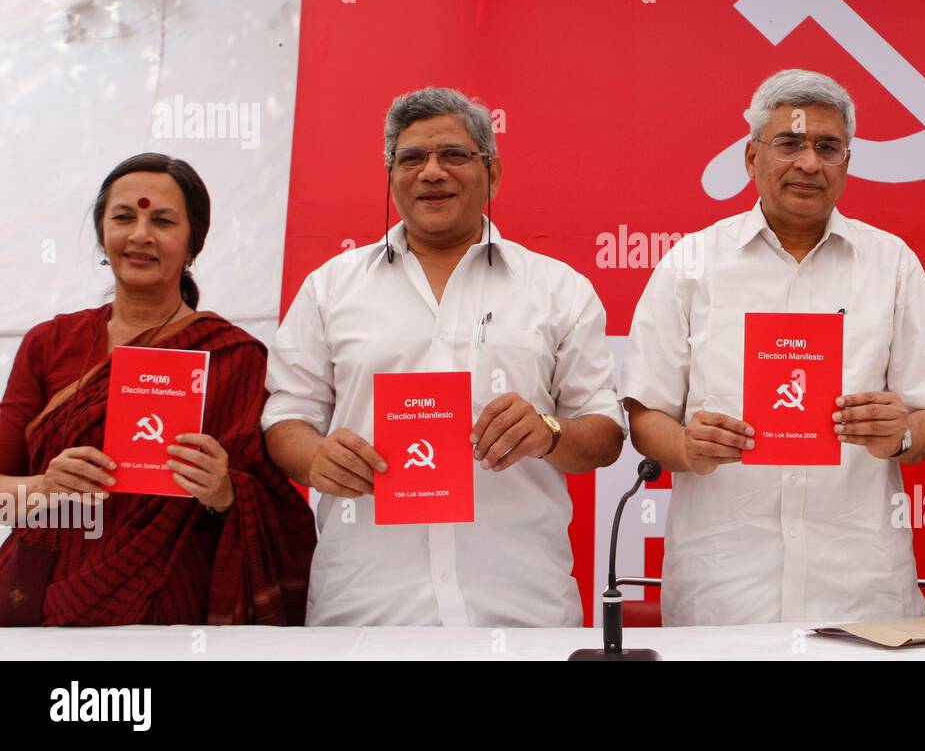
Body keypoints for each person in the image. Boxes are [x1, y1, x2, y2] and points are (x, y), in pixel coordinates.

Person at [263, 86, 624, 627]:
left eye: (454, 155)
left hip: (519, 609)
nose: (432, 172)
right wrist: (314, 456)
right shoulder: (329, 289)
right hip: (367, 608)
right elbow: (286, 416)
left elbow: (605, 432)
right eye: (411, 159)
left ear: (493, 174)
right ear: (391, 177)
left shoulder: (557, 289)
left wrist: (549, 431)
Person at [620, 69, 925, 625]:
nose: (809, 163)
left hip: (861, 589)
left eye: (827, 147)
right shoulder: (691, 264)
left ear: (847, 163)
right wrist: (687, 446)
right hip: (725, 589)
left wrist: (899, 433)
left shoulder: (892, 263)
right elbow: (645, 415)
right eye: (789, 144)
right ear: (751, 158)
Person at [0, 153, 316, 626]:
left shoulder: (234, 356)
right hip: (45, 602)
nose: (141, 234)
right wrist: (44, 487)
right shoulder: (50, 343)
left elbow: (276, 511)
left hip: (173, 610)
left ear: (193, 244)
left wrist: (224, 491)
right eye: (124, 217)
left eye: (163, 220)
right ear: (103, 234)